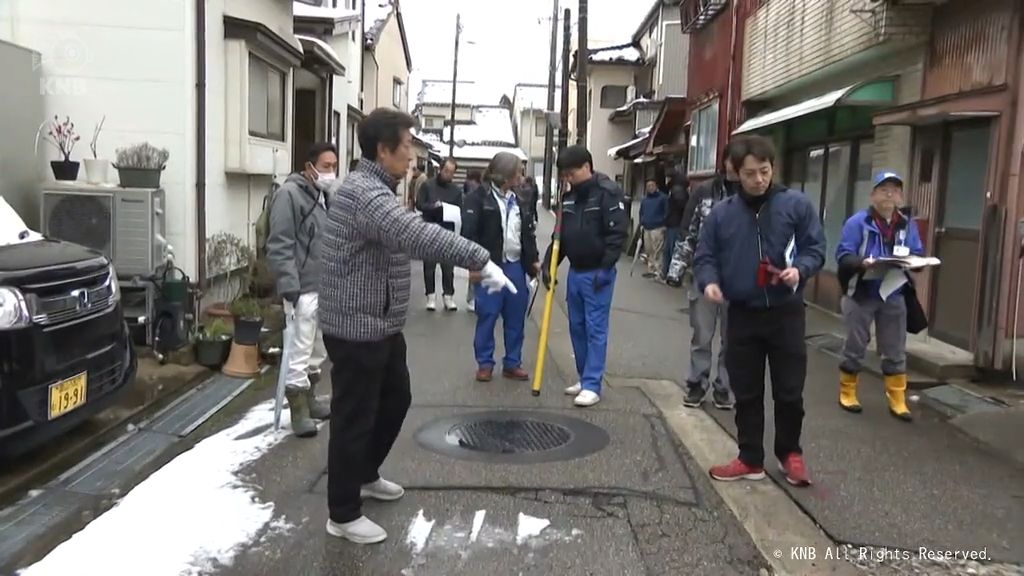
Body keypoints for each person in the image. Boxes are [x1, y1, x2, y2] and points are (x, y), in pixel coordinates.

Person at [318, 108, 515, 544]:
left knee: (396, 397)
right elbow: (414, 236)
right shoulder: (366, 194)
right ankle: (343, 511)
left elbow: (411, 229)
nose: (412, 155)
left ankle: (364, 474)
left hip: (379, 322)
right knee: (354, 416)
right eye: (407, 146)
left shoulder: (380, 187)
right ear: (383, 149)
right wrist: (480, 259)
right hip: (355, 325)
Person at [693, 135, 825, 487]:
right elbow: (705, 256)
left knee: (789, 390)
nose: (758, 180)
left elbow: (815, 246)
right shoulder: (721, 215)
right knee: (746, 390)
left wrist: (802, 268)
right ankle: (750, 457)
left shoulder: (795, 205)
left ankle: (790, 454)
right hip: (742, 313)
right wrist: (709, 282)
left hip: (786, 311)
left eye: (764, 171)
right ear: (735, 173)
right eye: (750, 173)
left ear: (773, 169)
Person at [542, 146, 628, 408]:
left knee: (595, 328)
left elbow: (617, 235)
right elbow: (561, 237)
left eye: (572, 172)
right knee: (576, 326)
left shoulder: (608, 193)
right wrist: (550, 264)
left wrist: (606, 267)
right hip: (576, 272)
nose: (568, 178)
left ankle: (593, 384)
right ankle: (584, 377)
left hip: (597, 272)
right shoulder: (568, 198)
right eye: (564, 174)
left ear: (587, 167)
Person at [835, 171, 923, 421]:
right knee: (855, 344)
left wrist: (916, 263)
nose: (889, 194)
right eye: (883, 189)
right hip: (861, 291)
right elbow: (843, 255)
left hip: (893, 291)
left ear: (900, 195)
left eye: (894, 189)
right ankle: (847, 391)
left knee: (895, 347)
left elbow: (917, 252)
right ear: (872, 194)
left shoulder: (907, 224)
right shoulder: (857, 222)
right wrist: (863, 263)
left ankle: (897, 398)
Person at [266, 141, 336, 438]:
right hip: (301, 287)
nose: (331, 172)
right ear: (309, 167)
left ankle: (310, 398)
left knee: (317, 349)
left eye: (334, 166)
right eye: (326, 167)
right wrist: (289, 286)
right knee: (299, 348)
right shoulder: (289, 195)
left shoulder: (322, 195)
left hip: (322, 284)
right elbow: (279, 243)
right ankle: (297, 410)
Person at [670, 144, 743, 410]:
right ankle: (696, 384)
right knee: (702, 334)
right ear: (723, 162)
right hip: (705, 274)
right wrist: (676, 269)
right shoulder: (705, 191)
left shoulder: (754, 195)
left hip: (739, 279)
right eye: (731, 161)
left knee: (732, 337)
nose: (735, 168)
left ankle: (725, 387)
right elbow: (688, 231)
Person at [463, 152, 540, 382]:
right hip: (489, 265)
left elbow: (528, 232)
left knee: (516, 315)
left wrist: (533, 259)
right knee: (488, 314)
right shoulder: (478, 198)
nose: (521, 176)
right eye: (518, 171)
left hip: (515, 264)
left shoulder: (521, 198)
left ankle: (512, 362)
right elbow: (469, 234)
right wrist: (473, 266)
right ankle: (484, 363)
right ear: (507, 175)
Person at [415, 158, 463, 311]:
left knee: (448, 266)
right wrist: (433, 206)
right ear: (440, 169)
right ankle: (430, 296)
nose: (448, 175)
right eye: (446, 171)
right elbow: (419, 204)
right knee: (429, 265)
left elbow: (459, 209)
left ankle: (448, 296)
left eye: (451, 172)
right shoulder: (427, 185)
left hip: (447, 231)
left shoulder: (456, 190)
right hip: (429, 228)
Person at [661, 171, 689, 281]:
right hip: (676, 223)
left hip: (674, 224)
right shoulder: (680, 191)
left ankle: (669, 273)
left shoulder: (676, 191)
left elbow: (677, 208)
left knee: (670, 250)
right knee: (671, 249)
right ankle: (669, 273)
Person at [638, 178, 668, 277]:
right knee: (648, 249)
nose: (650, 188)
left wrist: (663, 222)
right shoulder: (645, 200)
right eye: (648, 186)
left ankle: (657, 270)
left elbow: (666, 211)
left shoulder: (663, 198)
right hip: (647, 227)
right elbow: (641, 212)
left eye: (652, 185)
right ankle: (651, 269)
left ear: (656, 186)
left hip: (658, 227)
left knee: (657, 249)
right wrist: (641, 222)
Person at [464, 169, 484, 312]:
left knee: (477, 269)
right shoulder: (472, 195)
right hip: (474, 237)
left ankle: (473, 298)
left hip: (477, 236)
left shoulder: (480, 196)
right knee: (475, 269)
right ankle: (472, 298)